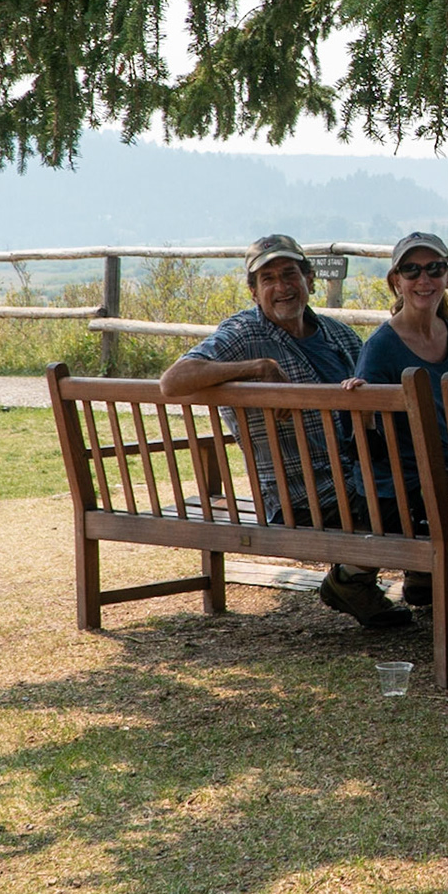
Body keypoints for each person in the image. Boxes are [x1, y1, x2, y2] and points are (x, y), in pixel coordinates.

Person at [158, 234, 410, 630]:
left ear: (309, 278)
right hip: (301, 495)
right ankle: (353, 581)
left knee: (430, 490)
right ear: (253, 291)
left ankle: (386, 579)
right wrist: (257, 368)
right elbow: (173, 380)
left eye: (290, 274)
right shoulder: (244, 334)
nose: (282, 287)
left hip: (357, 477)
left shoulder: (338, 335)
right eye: (268, 278)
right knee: (409, 504)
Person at [351, 232, 448, 609]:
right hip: (400, 490)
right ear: (396, 281)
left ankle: (431, 579)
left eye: (434, 269)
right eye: (411, 270)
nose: (424, 279)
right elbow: (363, 439)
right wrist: (363, 406)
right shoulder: (381, 346)